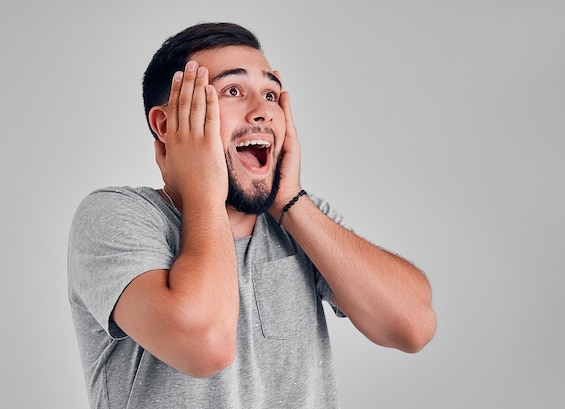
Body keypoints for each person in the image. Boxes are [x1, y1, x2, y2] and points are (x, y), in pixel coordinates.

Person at [68, 22, 436, 409]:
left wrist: (291, 200)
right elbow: (204, 347)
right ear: (165, 125)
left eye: (271, 95)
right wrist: (205, 191)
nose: (263, 112)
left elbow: (413, 326)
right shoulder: (117, 216)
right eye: (232, 91)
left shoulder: (296, 221)